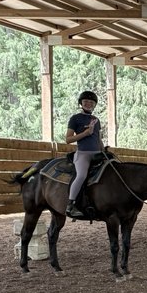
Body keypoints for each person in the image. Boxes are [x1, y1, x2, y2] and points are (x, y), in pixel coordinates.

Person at [65, 90, 103, 219]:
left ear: (94, 105)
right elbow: (68, 139)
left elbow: (98, 139)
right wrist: (86, 133)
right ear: (81, 103)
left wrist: (104, 151)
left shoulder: (96, 120)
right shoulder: (75, 118)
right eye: (86, 101)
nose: (88, 104)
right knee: (81, 176)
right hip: (83, 154)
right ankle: (71, 204)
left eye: (91, 102)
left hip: (98, 153)